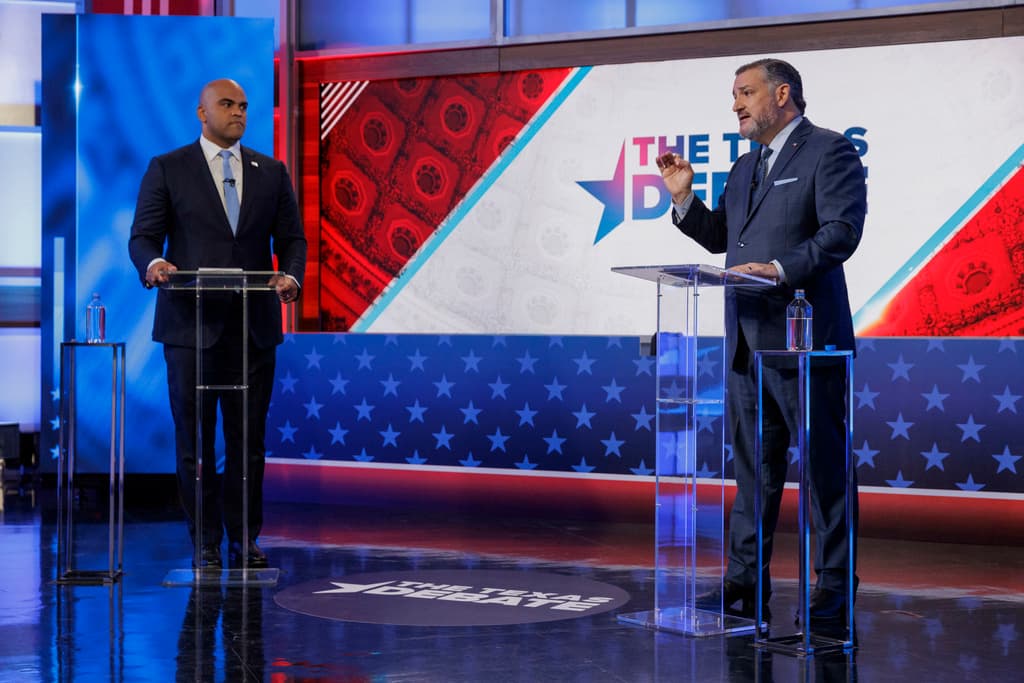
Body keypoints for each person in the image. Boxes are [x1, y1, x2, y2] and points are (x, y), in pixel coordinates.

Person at [657, 58, 865, 620]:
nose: (736, 105)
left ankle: (834, 589)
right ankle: (746, 583)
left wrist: (778, 269)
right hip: (746, 345)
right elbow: (722, 237)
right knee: (753, 472)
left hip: (805, 341)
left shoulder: (830, 150)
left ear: (782, 94)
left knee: (823, 469)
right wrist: (684, 200)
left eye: (745, 93)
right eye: (734, 95)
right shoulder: (745, 166)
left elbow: (841, 232)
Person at [128, 78, 307, 570]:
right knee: (195, 443)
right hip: (190, 329)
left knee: (249, 443)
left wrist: (291, 276)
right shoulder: (168, 167)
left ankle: (244, 539)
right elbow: (143, 237)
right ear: (202, 113)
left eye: (244, 106)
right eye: (227, 105)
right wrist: (154, 265)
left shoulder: (271, 172)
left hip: (253, 329)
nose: (238, 113)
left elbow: (292, 240)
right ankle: (204, 543)